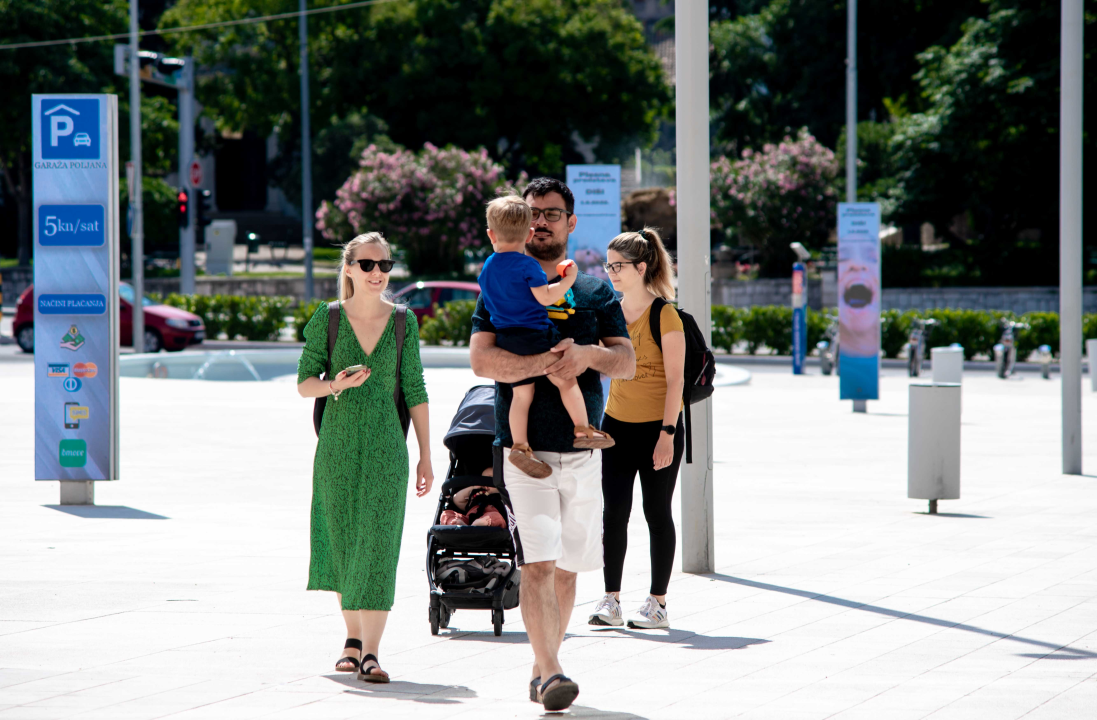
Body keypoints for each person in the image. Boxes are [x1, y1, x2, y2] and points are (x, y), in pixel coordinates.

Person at [469, 178, 635, 712]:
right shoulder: (499, 283)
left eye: (552, 213)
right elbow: (481, 361)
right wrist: (546, 362)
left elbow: (626, 362)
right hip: (524, 453)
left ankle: (543, 667)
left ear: (571, 222)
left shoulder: (594, 292)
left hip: (584, 451)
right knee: (538, 563)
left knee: (567, 570)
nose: (541, 221)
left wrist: (584, 356)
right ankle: (554, 673)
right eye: (533, 212)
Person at [296, 232, 433, 683]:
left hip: (387, 451)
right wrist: (335, 383)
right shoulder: (329, 318)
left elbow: (415, 389)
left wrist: (425, 456)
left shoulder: (403, 322)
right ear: (350, 268)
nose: (378, 273)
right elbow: (304, 384)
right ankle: (352, 639)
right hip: (336, 449)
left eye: (385, 265)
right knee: (342, 544)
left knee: (377, 545)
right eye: (368, 264)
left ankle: (371, 652)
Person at [588, 228, 685, 631]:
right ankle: (610, 600)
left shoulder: (665, 314)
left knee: (656, 514)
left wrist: (667, 434)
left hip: (658, 429)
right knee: (613, 514)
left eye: (618, 266)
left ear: (641, 268)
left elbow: (676, 381)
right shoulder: (610, 311)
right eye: (608, 265)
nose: (611, 272)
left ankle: (657, 604)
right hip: (616, 426)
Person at [478, 193, 614, 479]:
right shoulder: (528, 266)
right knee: (566, 379)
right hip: (536, 334)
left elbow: (491, 300)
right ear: (529, 234)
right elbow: (545, 298)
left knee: (521, 394)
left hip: (507, 339)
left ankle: (520, 445)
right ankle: (583, 429)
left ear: (491, 234)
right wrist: (568, 280)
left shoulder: (488, 266)